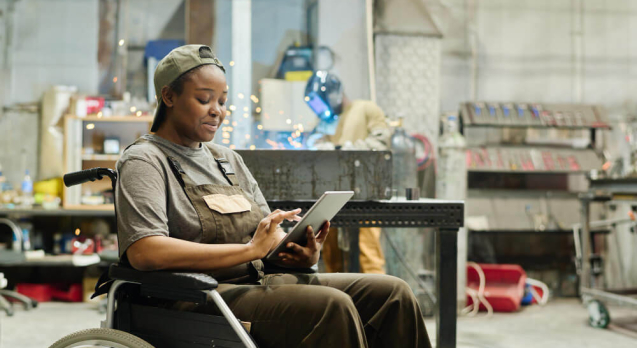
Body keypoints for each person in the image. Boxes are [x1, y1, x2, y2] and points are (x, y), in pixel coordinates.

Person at [116, 45, 431, 348]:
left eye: (222, 101)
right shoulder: (145, 160)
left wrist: (300, 253)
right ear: (168, 96)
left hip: (256, 282)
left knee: (393, 294)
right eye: (204, 99)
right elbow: (146, 252)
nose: (217, 111)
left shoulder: (226, 160)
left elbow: (266, 235)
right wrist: (249, 250)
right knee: (331, 306)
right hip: (195, 297)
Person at [304, 71, 390, 274]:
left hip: (363, 198)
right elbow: (309, 144)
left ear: (335, 94)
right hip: (330, 199)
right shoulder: (324, 121)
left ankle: (377, 304)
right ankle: (341, 305)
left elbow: (381, 143)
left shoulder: (366, 109)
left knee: (368, 258)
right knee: (333, 263)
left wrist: (340, 149)